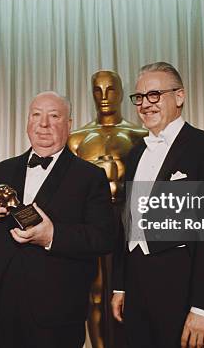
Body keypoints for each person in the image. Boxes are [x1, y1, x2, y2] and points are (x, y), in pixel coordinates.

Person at [0, 91, 115, 348]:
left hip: (57, 310)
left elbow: (104, 237)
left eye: (54, 116)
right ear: (27, 122)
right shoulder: (4, 168)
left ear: (69, 125)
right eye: (36, 115)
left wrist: (52, 236)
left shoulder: (90, 176)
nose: (43, 124)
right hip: (0, 303)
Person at [111, 62, 204, 348]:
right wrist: (120, 285)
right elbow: (127, 225)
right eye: (139, 97)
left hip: (183, 289)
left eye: (154, 95)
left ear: (179, 96)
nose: (145, 104)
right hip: (137, 289)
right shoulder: (135, 154)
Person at [68, 69, 146, 348]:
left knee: (134, 286)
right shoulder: (77, 138)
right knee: (96, 291)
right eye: (97, 90)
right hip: (92, 218)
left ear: (121, 93)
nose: (103, 96)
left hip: (130, 214)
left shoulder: (139, 135)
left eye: (110, 89)